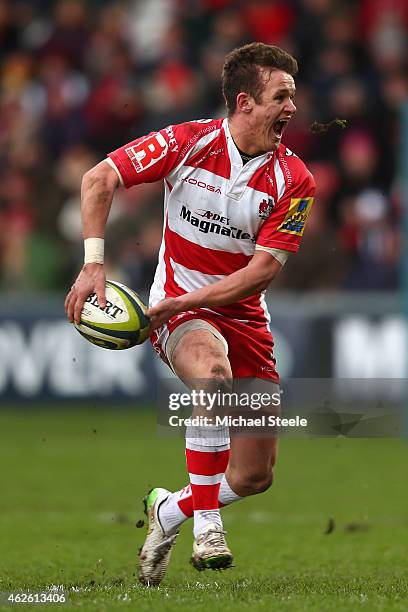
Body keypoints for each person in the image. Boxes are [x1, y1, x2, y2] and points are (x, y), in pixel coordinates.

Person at [65, 42, 315, 585]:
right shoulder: (189, 142)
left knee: (253, 476)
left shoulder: (295, 180)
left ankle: (169, 510)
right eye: (282, 96)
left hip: (239, 316)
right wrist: (93, 265)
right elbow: (97, 179)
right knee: (213, 375)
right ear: (245, 102)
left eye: (292, 96)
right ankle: (206, 527)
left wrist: (189, 300)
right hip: (180, 316)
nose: (292, 108)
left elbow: (262, 273)